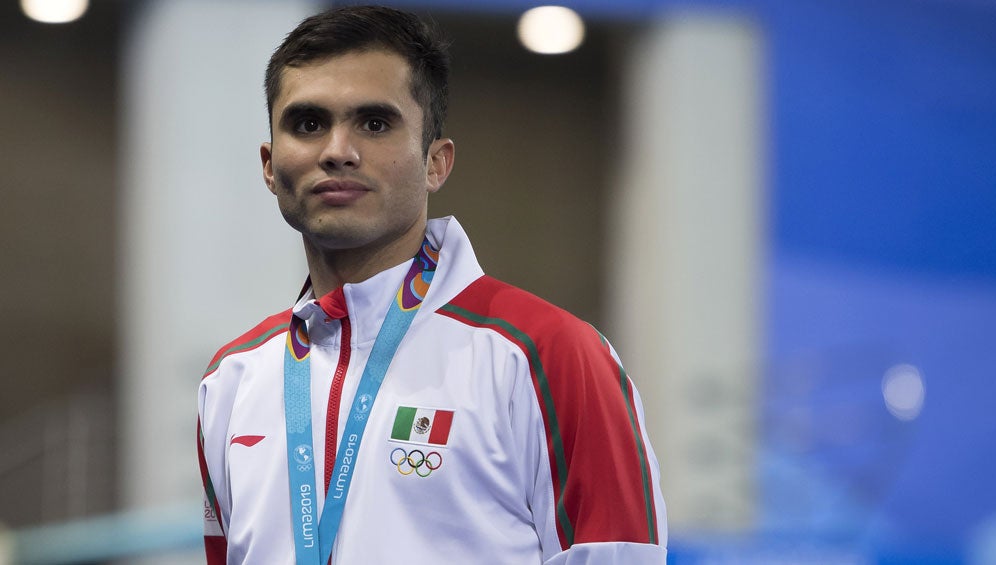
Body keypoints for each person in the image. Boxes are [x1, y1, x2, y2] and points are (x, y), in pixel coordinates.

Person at [197, 5, 667, 564]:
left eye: (375, 123)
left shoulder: (549, 355)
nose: (336, 151)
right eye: (308, 123)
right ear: (270, 165)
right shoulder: (232, 379)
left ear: (435, 163)